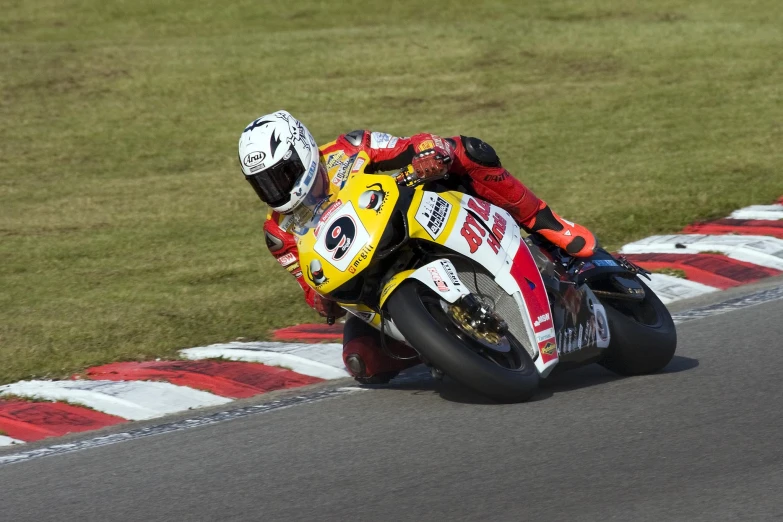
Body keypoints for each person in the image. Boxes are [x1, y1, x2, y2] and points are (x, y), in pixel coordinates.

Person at [238, 110, 597, 383]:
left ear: (302, 151)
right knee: (360, 362)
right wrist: (321, 297)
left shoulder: (351, 149)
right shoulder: (278, 233)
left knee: (466, 150)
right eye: (264, 184)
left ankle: (547, 224)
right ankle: (443, 349)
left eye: (281, 175)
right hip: (374, 289)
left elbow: (414, 143)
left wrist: (430, 153)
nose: (276, 190)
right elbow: (312, 290)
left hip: (415, 224)